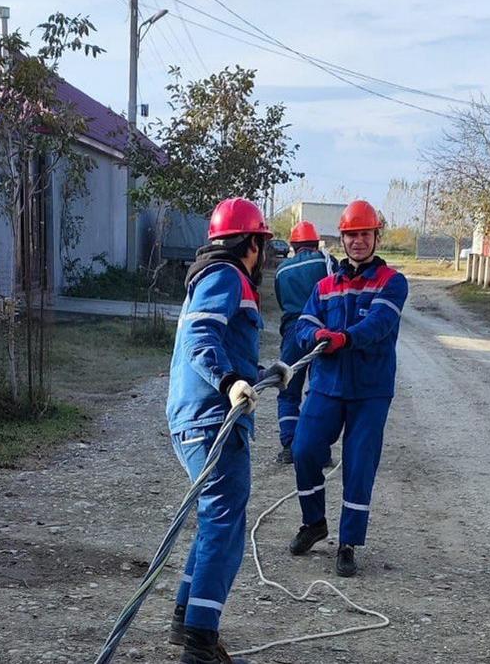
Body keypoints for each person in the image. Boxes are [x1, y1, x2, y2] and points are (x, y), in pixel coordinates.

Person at [166, 197, 291, 664]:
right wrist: (228, 381)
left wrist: (264, 373)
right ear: (251, 244)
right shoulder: (226, 276)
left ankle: (186, 621)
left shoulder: (211, 277)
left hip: (198, 417)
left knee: (214, 519)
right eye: (262, 244)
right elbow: (203, 342)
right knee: (224, 523)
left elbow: (226, 347)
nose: (263, 255)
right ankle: (200, 641)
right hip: (211, 419)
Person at [287, 200, 409, 578]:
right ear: (341, 238)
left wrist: (344, 338)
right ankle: (314, 523)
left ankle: (348, 543)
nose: (358, 241)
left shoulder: (392, 282)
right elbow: (303, 324)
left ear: (376, 236)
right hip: (326, 386)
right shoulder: (324, 286)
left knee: (358, 466)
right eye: (351, 235)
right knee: (304, 449)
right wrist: (316, 335)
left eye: (364, 234)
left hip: (370, 391)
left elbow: (379, 325)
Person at [272, 220, 337, 464]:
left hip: (292, 333)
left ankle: (290, 446)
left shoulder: (282, 270)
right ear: (314, 242)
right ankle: (319, 449)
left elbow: (281, 302)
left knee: (288, 392)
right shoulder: (325, 261)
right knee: (319, 392)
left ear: (293, 244)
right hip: (321, 333)